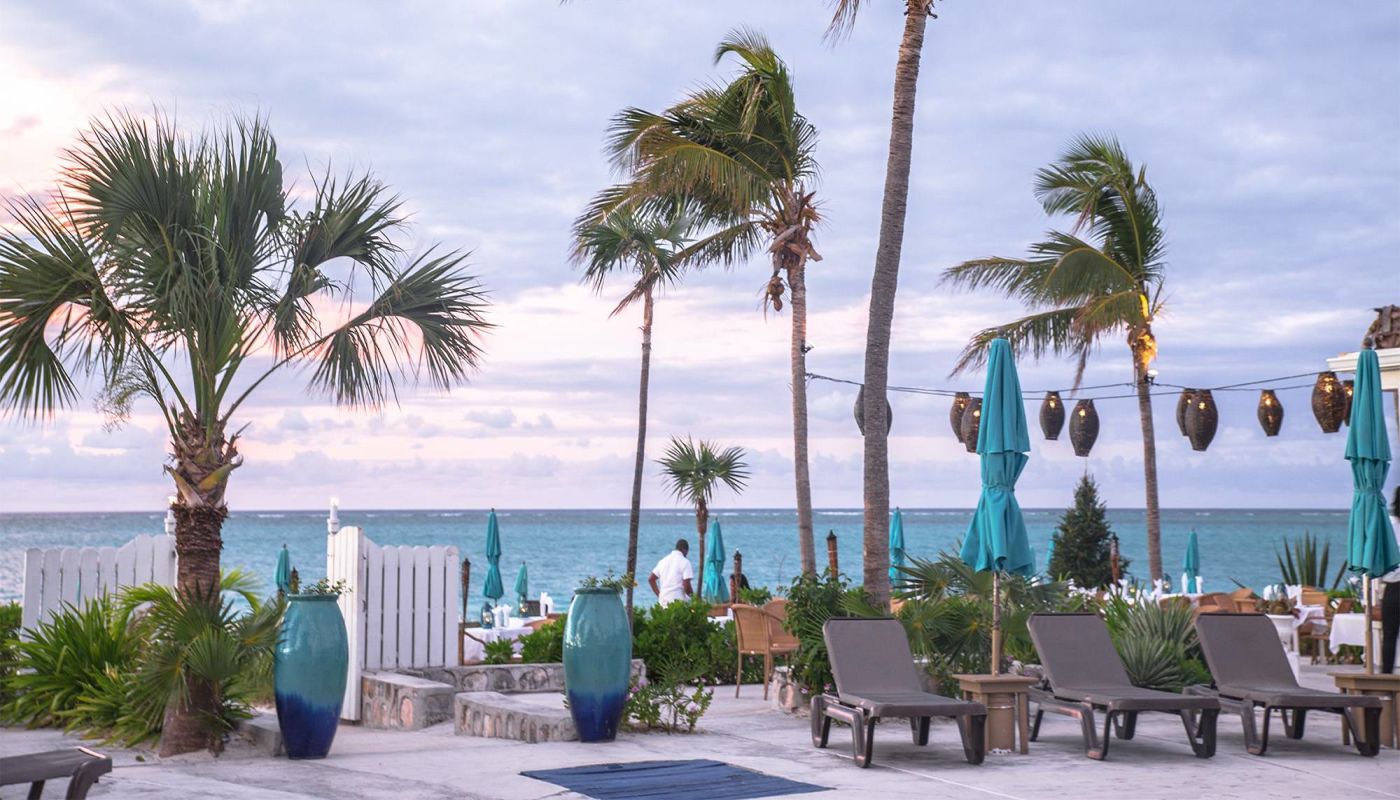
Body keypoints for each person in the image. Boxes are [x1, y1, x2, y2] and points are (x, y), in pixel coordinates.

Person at [1380, 487, 1400, 674]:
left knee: (1389, 636)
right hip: (1393, 586)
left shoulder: (1388, 525)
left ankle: (1385, 676)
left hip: (1393, 587)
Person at [648, 539, 694, 606]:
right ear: (685, 550)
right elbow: (686, 586)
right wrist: (694, 598)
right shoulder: (685, 562)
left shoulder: (663, 561)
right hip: (678, 603)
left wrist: (659, 595)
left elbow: (651, 579)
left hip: (663, 602)